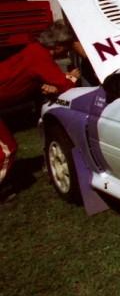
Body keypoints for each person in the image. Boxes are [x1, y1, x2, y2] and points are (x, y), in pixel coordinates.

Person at [0, 26, 79, 190]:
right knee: (7, 151)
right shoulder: (40, 57)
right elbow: (64, 84)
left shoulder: (34, 49)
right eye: (67, 46)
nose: (68, 50)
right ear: (57, 46)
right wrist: (72, 77)